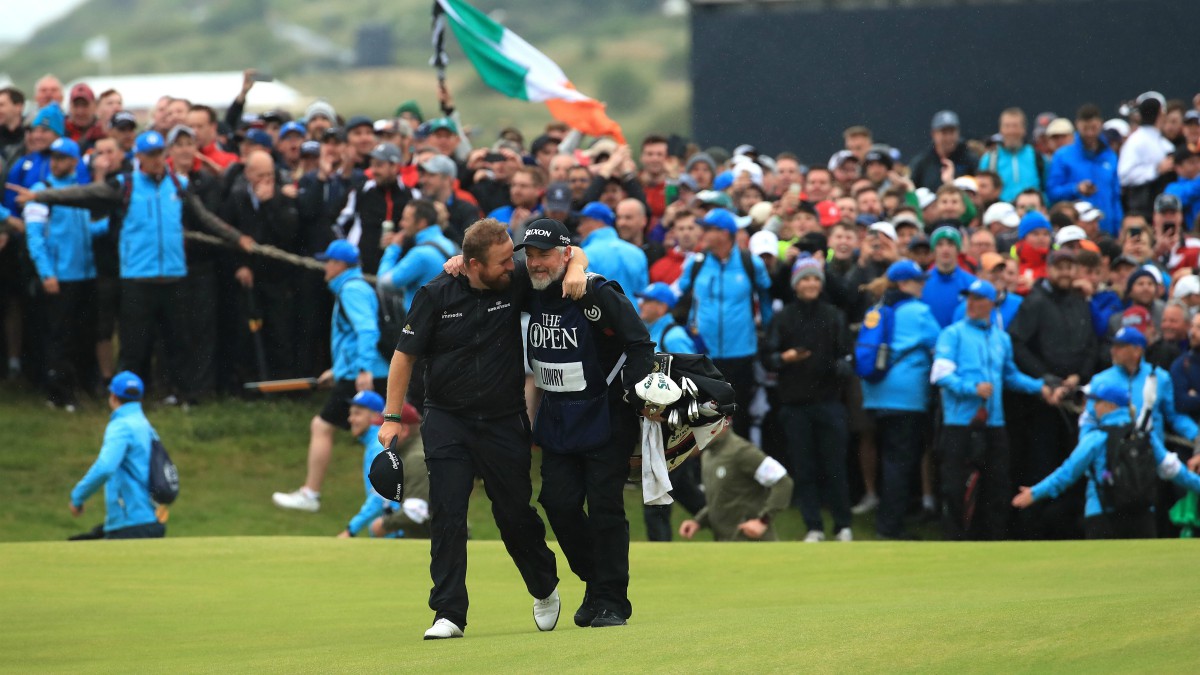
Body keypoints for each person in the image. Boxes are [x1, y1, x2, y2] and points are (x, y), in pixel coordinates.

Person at [378, 219, 587, 639]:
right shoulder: (435, 293)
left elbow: (570, 255)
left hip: (502, 419)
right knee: (449, 513)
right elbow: (404, 356)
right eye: (503, 260)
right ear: (473, 265)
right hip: (447, 419)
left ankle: (543, 583)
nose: (513, 266)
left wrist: (578, 268)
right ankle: (448, 613)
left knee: (513, 515)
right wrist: (391, 417)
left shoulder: (511, 283)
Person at [13, 130, 254, 400]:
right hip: (138, 279)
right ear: (138, 157)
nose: (156, 160)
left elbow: (204, 218)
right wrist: (40, 197)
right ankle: (125, 396)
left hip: (173, 276)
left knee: (179, 342)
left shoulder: (178, 185)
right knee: (133, 346)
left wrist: (236, 238)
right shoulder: (124, 185)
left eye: (159, 154)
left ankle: (184, 395)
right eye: (150, 155)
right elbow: (84, 193)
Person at [933, 279, 1060, 540]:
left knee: (997, 485)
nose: (972, 304)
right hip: (961, 423)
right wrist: (972, 388)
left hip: (994, 424)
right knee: (955, 486)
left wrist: (1039, 387)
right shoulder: (953, 334)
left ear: (991, 303)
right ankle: (954, 540)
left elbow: (1010, 376)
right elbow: (940, 374)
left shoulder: (1001, 339)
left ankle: (993, 539)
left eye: (978, 299)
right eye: (969, 298)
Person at [272, 241, 391, 513]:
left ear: (338, 265)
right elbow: (351, 338)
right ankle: (388, 499)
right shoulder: (353, 288)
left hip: (363, 375)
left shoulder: (351, 290)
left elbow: (367, 331)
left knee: (323, 426)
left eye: (328, 261)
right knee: (381, 434)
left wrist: (362, 370)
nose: (325, 267)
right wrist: (337, 371)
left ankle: (310, 494)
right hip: (359, 372)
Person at [1013, 382, 1200, 539]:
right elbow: (1176, 472)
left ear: (1109, 406)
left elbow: (1067, 474)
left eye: (1095, 401)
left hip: (1101, 515)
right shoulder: (1146, 436)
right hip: (1142, 516)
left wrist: (1035, 493)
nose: (1090, 406)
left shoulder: (1096, 438)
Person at [761, 255, 852, 542]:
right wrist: (784, 358)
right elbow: (768, 358)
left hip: (829, 402)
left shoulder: (834, 315)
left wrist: (839, 367)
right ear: (796, 285)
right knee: (804, 468)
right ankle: (813, 526)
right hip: (795, 404)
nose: (811, 283)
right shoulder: (784, 317)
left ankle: (842, 525)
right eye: (805, 279)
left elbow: (846, 356)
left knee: (835, 465)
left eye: (815, 278)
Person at [22, 137, 108, 410]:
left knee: (83, 334)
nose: (55, 163)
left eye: (62, 158)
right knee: (60, 337)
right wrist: (47, 273)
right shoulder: (40, 190)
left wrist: (112, 221)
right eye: (53, 158)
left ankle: (80, 387)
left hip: (85, 274)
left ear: (73, 161)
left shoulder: (78, 190)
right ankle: (58, 393)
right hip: (60, 276)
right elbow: (35, 237)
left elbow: (88, 231)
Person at [860, 260, 942, 539]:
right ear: (906, 284)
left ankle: (888, 519)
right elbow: (940, 343)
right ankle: (890, 526)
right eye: (919, 280)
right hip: (906, 397)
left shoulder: (877, 310)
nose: (923, 284)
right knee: (900, 461)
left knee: (890, 458)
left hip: (876, 394)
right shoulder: (919, 312)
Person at [678, 208, 774, 437]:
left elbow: (766, 296)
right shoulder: (697, 263)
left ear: (724, 233)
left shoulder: (750, 262)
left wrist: (766, 330)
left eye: (709, 229)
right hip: (704, 353)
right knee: (704, 414)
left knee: (739, 413)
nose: (704, 234)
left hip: (741, 351)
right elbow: (682, 292)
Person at [68, 371, 166, 540]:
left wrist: (77, 497)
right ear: (140, 398)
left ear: (113, 397)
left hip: (130, 521)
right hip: (152, 518)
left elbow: (105, 468)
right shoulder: (146, 426)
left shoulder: (121, 426)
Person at [677, 430, 794, 541]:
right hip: (725, 547)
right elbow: (722, 498)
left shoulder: (742, 451)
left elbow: (783, 482)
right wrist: (699, 522)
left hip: (753, 546)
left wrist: (763, 521)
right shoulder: (707, 455)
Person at [336, 391, 417, 538]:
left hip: (394, 534)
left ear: (375, 416)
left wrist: (351, 529)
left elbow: (380, 495)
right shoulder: (375, 444)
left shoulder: (378, 447)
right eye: (350, 413)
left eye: (357, 413)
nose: (351, 419)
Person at [1046, 104, 1123, 237]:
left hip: (1106, 230)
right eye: (1085, 128)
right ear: (1077, 125)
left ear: (1100, 124)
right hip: (1075, 232)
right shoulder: (1062, 156)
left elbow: (1115, 197)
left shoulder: (1111, 157)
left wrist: (1118, 228)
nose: (1089, 133)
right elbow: (1052, 192)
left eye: (1093, 128)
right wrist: (1076, 189)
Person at [368, 401, 431, 539]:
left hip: (436, 544)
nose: (380, 435)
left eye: (384, 429)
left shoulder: (417, 459)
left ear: (404, 430)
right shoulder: (416, 451)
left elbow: (416, 511)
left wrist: (383, 525)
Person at [577, 201, 649, 299]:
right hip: (633, 313)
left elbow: (584, 294)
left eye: (582, 222)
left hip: (603, 313)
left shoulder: (584, 255)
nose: (579, 229)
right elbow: (642, 295)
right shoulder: (637, 253)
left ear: (595, 222)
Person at [979, 108, 1045, 201]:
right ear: (1001, 129)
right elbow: (982, 190)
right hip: (1000, 211)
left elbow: (1046, 188)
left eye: (1015, 126)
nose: (1011, 131)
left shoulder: (1036, 156)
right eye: (1007, 126)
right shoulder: (989, 159)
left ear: (1024, 129)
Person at [921, 226, 976, 328]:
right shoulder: (921, 283)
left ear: (958, 250)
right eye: (940, 245)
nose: (945, 249)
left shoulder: (971, 283)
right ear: (934, 250)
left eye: (951, 244)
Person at [910, 110, 978, 190]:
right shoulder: (922, 162)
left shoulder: (970, 160)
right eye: (944, 132)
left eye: (952, 132)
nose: (948, 138)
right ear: (933, 134)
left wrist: (951, 183)